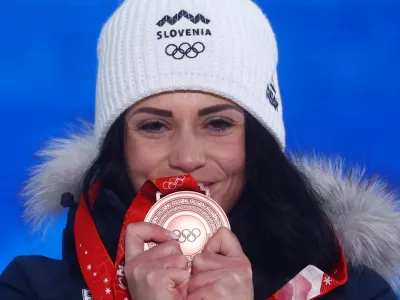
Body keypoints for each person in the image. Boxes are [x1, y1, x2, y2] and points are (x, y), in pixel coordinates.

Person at [1, 0, 400, 299]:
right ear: (118, 145)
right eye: (154, 125)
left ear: (259, 142)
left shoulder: (359, 292)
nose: (188, 157)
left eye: (218, 123)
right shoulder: (28, 288)